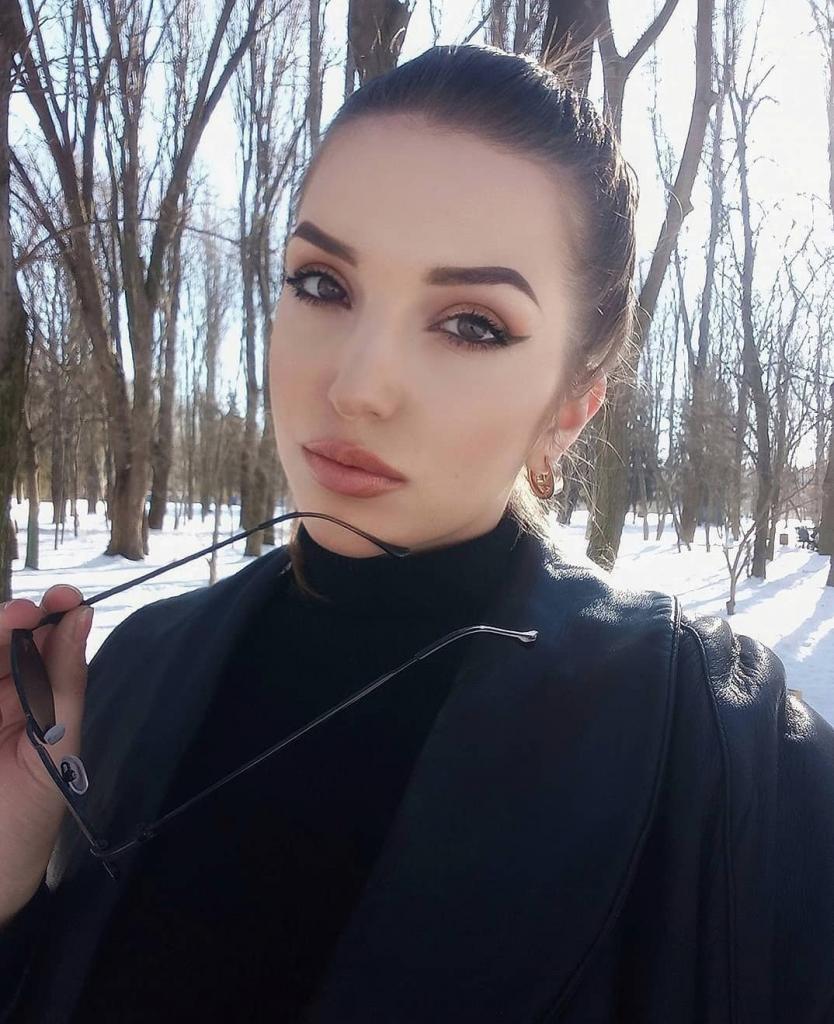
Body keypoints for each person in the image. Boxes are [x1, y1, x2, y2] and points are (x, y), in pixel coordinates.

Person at [2, 44, 833, 1024]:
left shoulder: (717, 749)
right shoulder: (133, 671)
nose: (357, 386)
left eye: (472, 324)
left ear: (572, 405)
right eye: (322, 283)